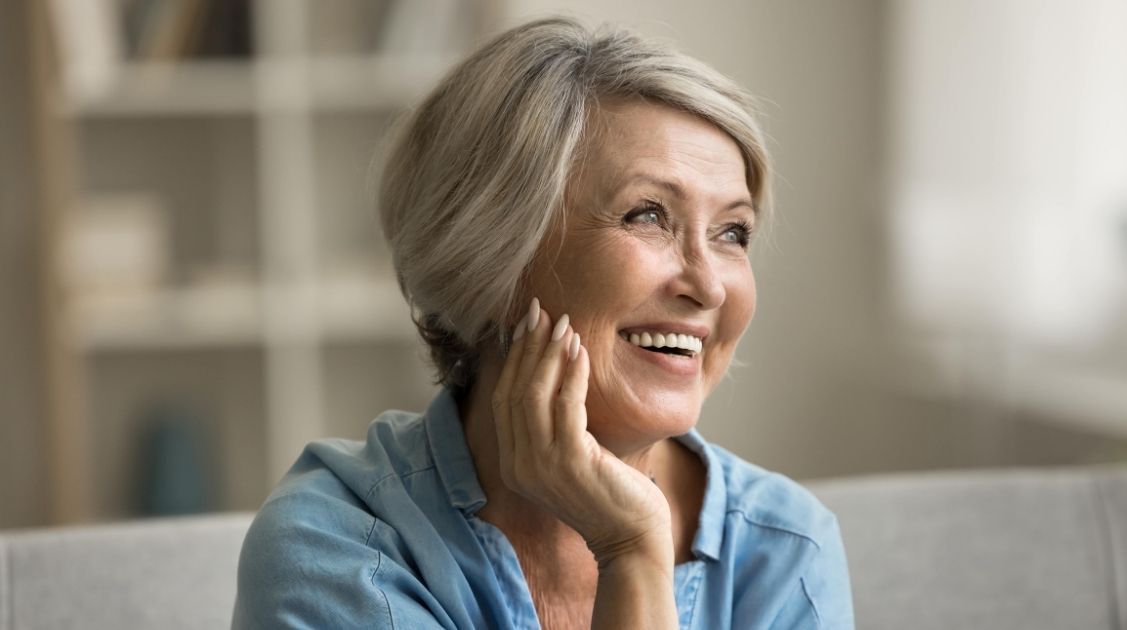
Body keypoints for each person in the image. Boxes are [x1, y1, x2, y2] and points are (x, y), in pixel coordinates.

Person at [233, 16, 854, 629]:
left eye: (732, 233)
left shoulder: (785, 548)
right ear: (495, 258)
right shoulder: (340, 551)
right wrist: (632, 552)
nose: (709, 285)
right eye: (647, 216)